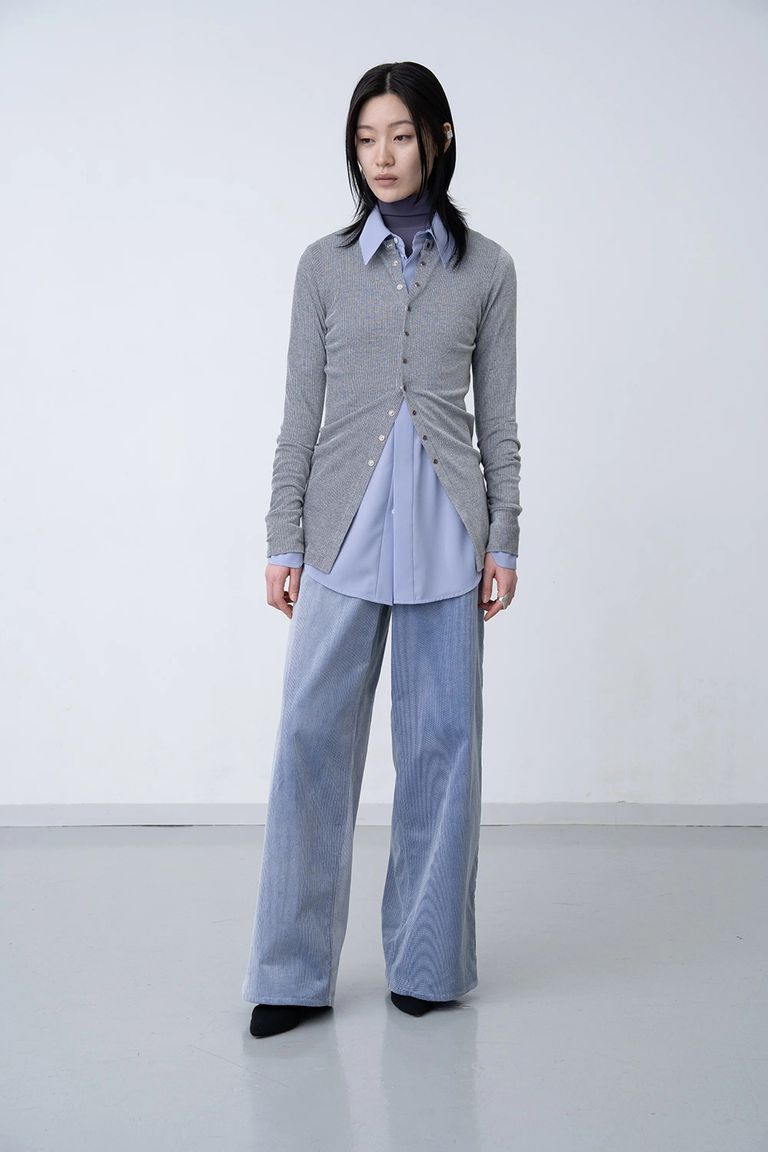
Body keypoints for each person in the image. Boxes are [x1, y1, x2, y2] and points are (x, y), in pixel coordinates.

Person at [242, 60, 522, 1038]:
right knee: (309, 741)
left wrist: (505, 539)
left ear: (439, 138)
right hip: (341, 532)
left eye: (400, 135)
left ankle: (428, 963)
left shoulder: (487, 270)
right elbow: (299, 415)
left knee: (443, 750)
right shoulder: (323, 267)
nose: (383, 156)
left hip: (449, 537)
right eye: (367, 139)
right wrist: (283, 537)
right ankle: (289, 976)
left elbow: (500, 421)